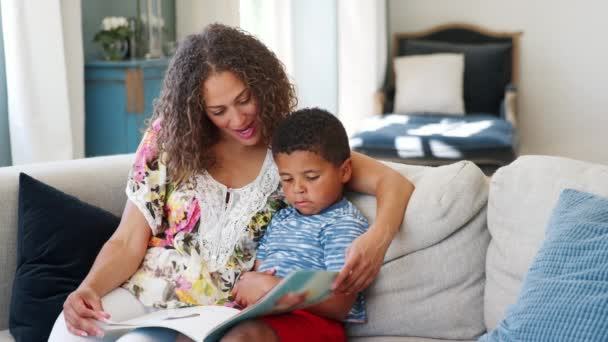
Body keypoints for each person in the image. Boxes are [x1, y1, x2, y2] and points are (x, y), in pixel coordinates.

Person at [48, 23, 414, 342]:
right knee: (70, 331)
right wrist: (88, 289)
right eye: (219, 111)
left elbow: (392, 182)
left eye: (244, 100)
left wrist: (376, 240)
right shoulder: (168, 141)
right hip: (149, 291)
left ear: (263, 84)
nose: (238, 119)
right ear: (197, 110)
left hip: (222, 310)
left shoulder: (291, 148)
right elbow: (128, 240)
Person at [225, 108, 369, 341]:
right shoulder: (282, 218)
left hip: (315, 322)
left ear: (344, 171)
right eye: (287, 179)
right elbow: (262, 270)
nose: (297, 189)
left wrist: (271, 288)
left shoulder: (343, 224)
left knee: (243, 337)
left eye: (311, 177)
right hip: (266, 316)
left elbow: (340, 304)